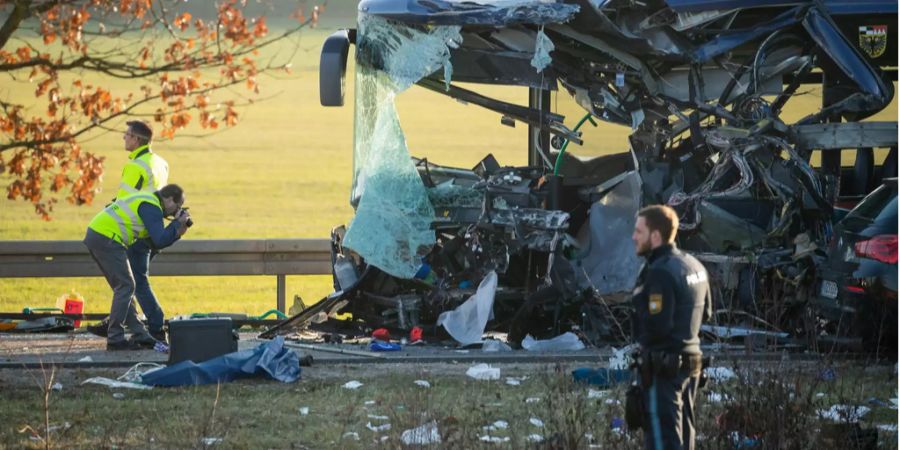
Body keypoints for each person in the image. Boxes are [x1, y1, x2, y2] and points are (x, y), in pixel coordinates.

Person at [630, 205, 711, 450]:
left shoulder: (660, 273)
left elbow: (657, 326)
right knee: (685, 437)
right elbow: (705, 313)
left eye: (639, 231)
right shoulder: (694, 265)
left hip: (663, 369)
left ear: (655, 236)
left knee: (663, 440)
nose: (634, 237)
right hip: (691, 365)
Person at [87, 120, 170, 341]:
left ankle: (151, 326)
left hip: (134, 228)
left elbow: (126, 200)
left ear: (136, 139)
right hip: (151, 227)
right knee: (132, 281)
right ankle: (129, 324)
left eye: (127, 135)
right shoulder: (161, 163)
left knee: (131, 282)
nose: (124, 137)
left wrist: (110, 213)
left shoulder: (135, 166)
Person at [83, 184, 191, 350]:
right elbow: (160, 239)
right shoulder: (151, 206)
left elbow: (155, 242)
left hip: (98, 234)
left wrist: (178, 231)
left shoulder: (147, 201)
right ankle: (115, 339)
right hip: (107, 237)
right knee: (126, 286)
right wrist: (176, 224)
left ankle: (139, 334)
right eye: (177, 207)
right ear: (169, 199)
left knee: (125, 287)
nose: (175, 211)